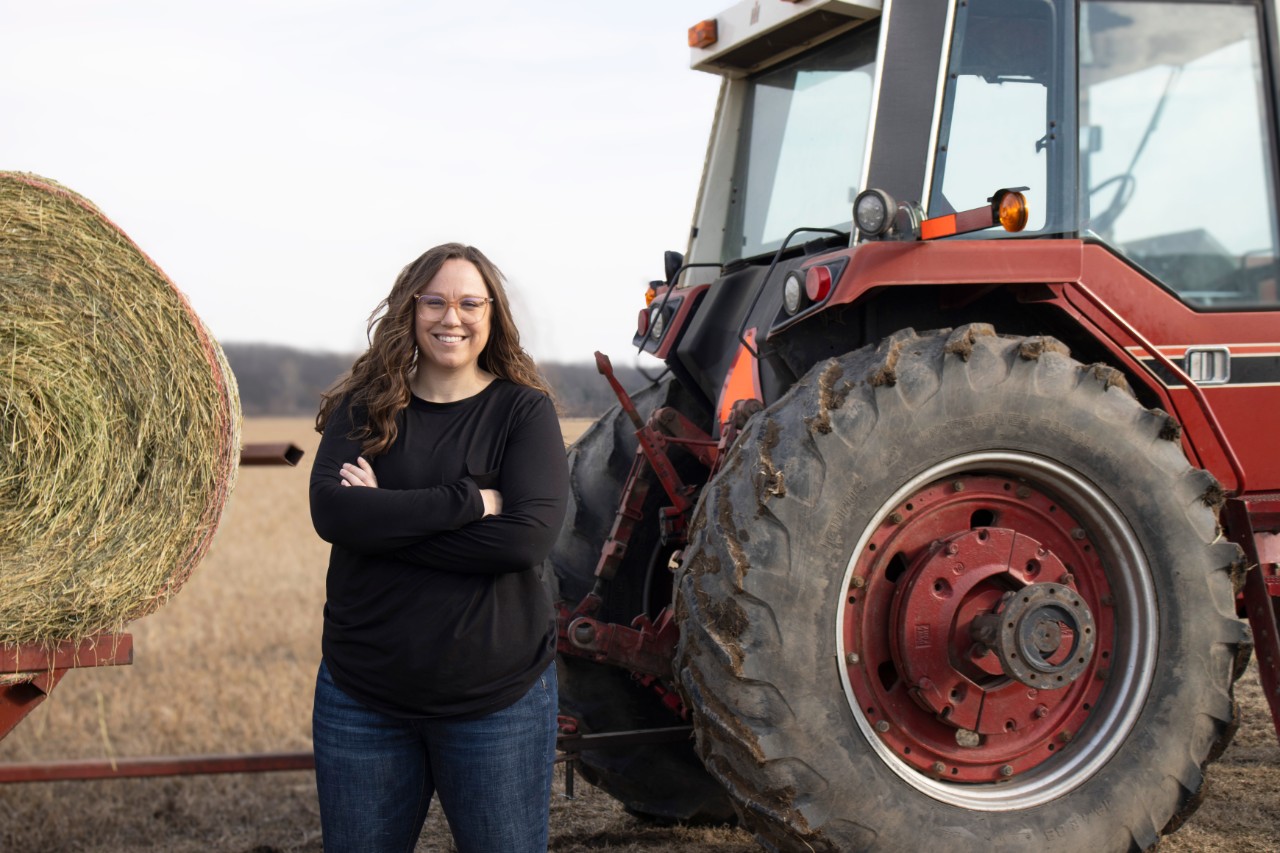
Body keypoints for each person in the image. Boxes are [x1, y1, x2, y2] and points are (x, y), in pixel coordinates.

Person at [308, 242, 569, 853]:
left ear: (491, 314)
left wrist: (383, 526)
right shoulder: (364, 410)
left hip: (496, 703)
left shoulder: (523, 413)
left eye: (469, 302)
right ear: (411, 310)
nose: (452, 317)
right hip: (362, 699)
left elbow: (523, 542)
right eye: (435, 301)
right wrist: (469, 501)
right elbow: (334, 514)